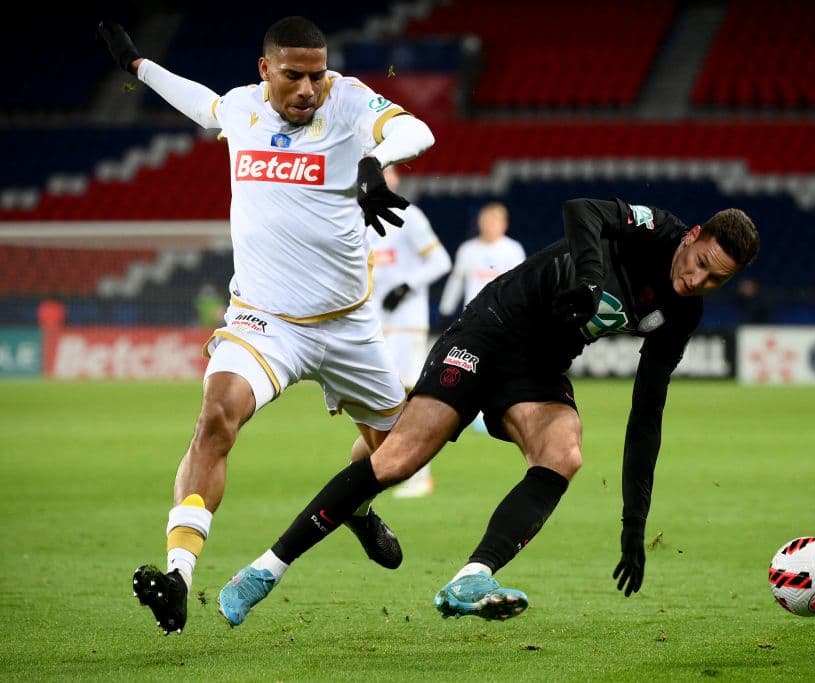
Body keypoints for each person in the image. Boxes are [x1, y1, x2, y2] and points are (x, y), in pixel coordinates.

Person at [216, 197, 759, 626]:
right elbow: (582, 210)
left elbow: (647, 414)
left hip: (539, 368)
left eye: (716, 281)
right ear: (693, 238)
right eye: (701, 265)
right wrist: (593, 281)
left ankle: (472, 579)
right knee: (401, 458)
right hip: (491, 327)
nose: (697, 282)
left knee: (563, 451)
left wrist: (634, 521)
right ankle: (264, 570)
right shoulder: (655, 228)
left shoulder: (681, 312)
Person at [97, 16, 436, 635]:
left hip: (348, 325)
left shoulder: (350, 98)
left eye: (316, 74)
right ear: (265, 70)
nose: (309, 88)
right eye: (294, 75)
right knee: (216, 415)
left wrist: (374, 161)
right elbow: (200, 101)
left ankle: (356, 504)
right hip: (265, 320)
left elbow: (418, 129)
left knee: (404, 453)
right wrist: (137, 67)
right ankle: (179, 575)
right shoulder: (242, 110)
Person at [368, 165, 452, 497]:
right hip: (373, 323)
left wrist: (405, 286)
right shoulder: (358, 216)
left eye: (384, 170)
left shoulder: (409, 215)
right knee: (379, 397)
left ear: (395, 178)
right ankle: (389, 464)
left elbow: (440, 261)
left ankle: (418, 473)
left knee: (408, 395)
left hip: (405, 321)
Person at [437, 202, 525, 430]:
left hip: (504, 318)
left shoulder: (512, 250)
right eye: (485, 221)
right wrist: (446, 310)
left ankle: (504, 410)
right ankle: (474, 414)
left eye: (494, 221)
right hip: (474, 318)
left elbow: (520, 286)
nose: (489, 226)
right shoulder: (468, 250)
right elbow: (456, 281)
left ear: (504, 224)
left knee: (502, 366)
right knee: (472, 365)